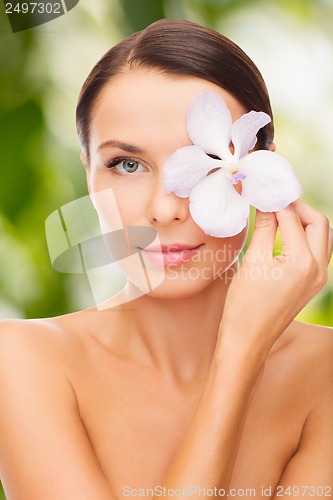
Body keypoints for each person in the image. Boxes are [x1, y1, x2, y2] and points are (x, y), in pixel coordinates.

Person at [0, 18, 332, 500]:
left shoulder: (325, 372)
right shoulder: (23, 360)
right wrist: (238, 359)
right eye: (127, 165)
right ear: (88, 172)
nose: (163, 209)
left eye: (199, 162)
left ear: (261, 169)